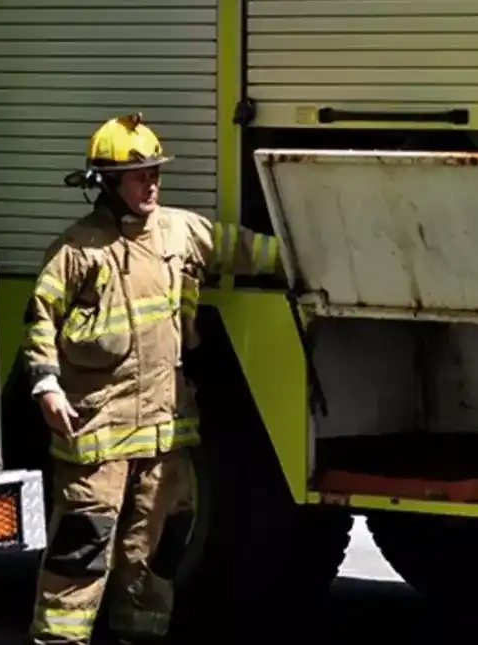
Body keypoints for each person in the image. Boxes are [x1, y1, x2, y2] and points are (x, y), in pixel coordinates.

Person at [22, 113, 283, 645]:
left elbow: (243, 249)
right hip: (99, 432)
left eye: (155, 174)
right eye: (140, 177)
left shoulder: (179, 231)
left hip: (165, 435)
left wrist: (305, 253)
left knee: (157, 552)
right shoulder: (78, 250)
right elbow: (40, 318)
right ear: (107, 183)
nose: (152, 186)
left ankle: (138, 636)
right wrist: (46, 384)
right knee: (82, 550)